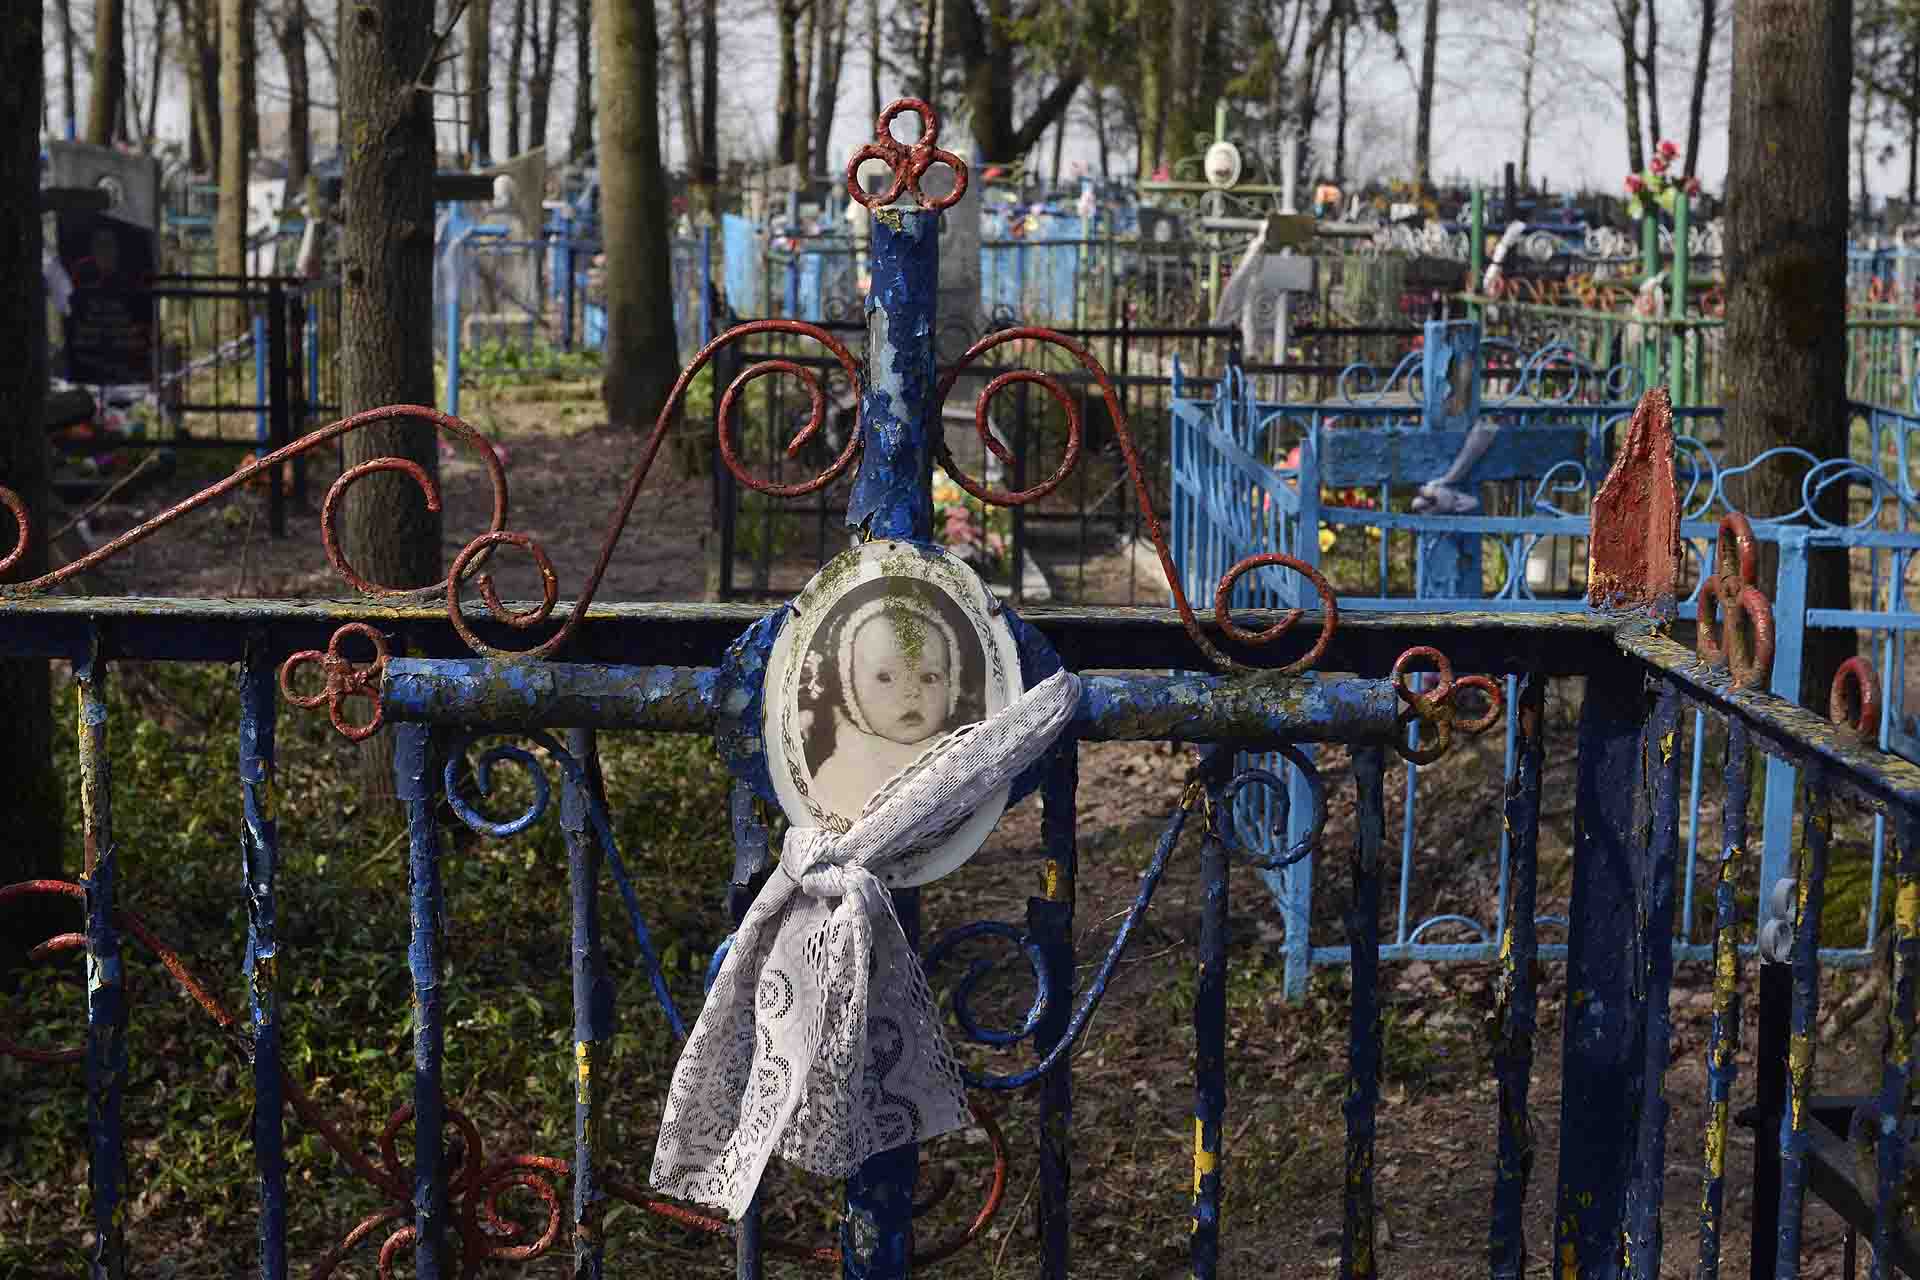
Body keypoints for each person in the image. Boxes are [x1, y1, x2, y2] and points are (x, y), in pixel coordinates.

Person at [800, 579, 986, 822]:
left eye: (929, 677)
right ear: (851, 690)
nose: (911, 692)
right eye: (885, 678)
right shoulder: (841, 771)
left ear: (950, 688)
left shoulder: (958, 759)